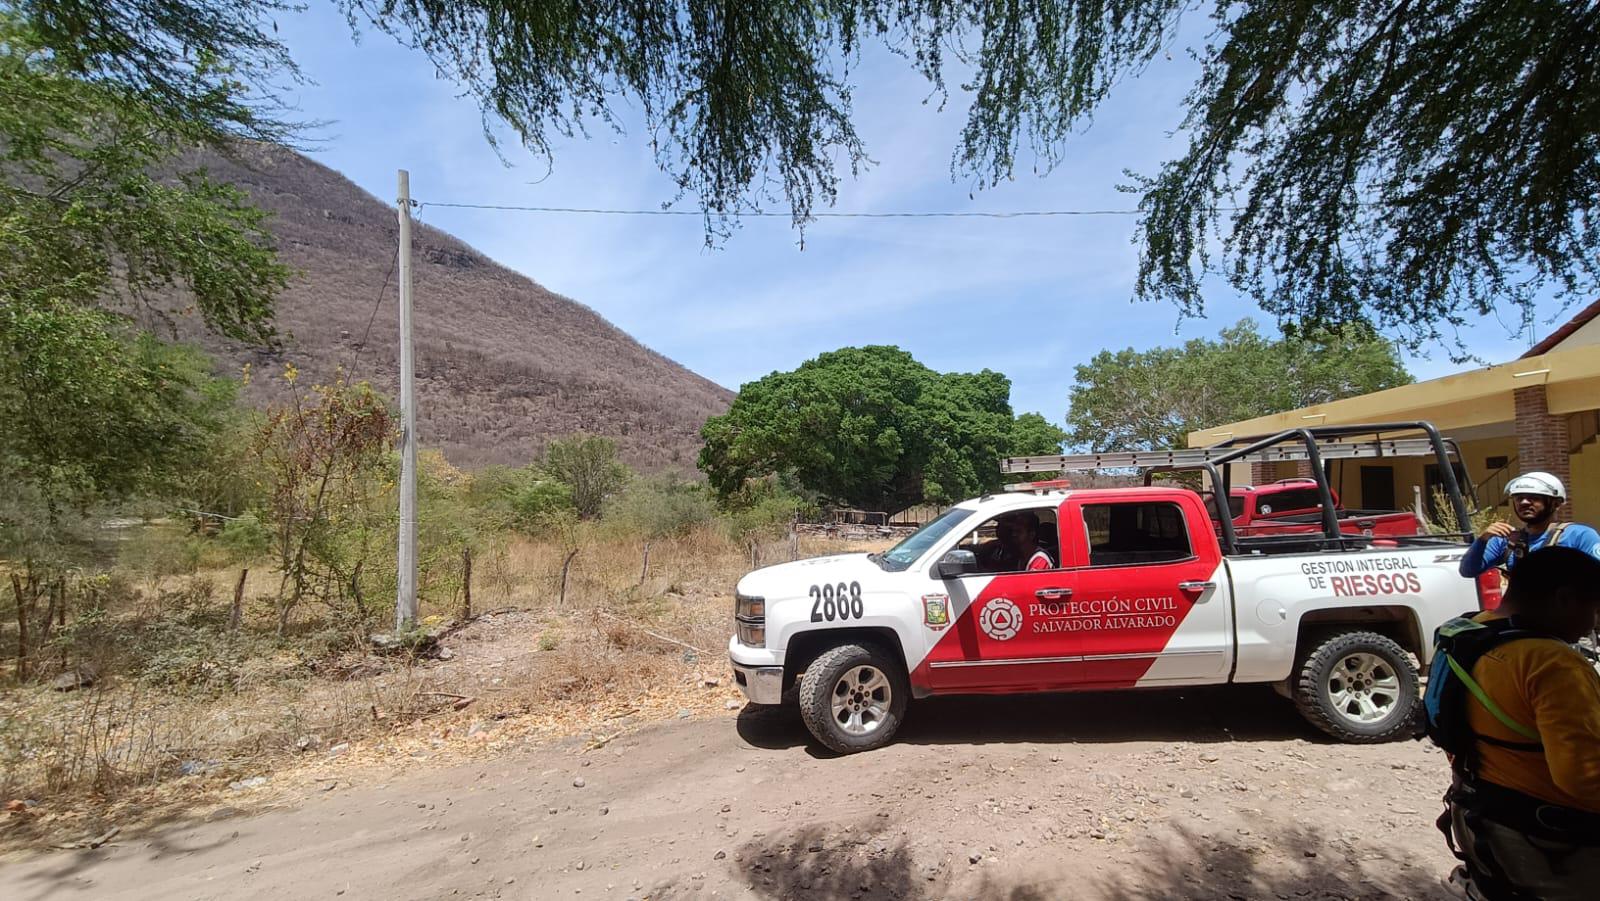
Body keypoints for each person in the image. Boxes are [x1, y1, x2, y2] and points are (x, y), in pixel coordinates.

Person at [1431, 546, 1600, 900]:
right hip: (1549, 844)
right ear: (1565, 599)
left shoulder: (1468, 634)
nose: (1594, 621)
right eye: (1594, 607)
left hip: (1479, 817)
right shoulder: (1553, 664)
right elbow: (1584, 780)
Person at [1458, 472, 1600, 579]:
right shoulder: (1507, 539)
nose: (1524, 502)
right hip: (1522, 616)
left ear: (1556, 503)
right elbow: (1468, 571)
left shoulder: (1578, 535)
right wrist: (1483, 540)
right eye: (1519, 498)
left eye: (1534, 498)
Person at [974, 510, 1055, 573]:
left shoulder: (1039, 559)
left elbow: (1032, 587)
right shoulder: (1022, 556)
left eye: (1019, 531)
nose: (1014, 534)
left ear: (1031, 534)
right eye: (1013, 531)